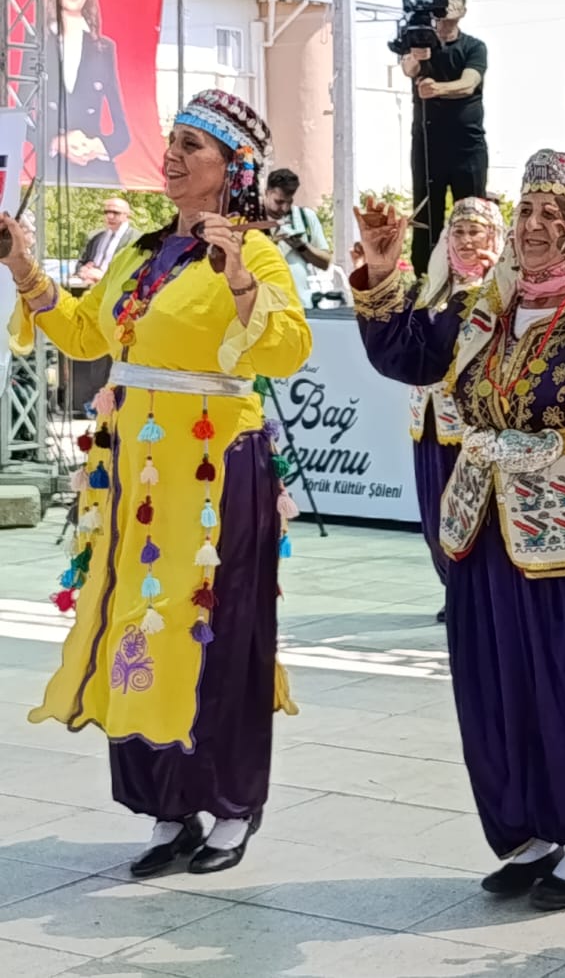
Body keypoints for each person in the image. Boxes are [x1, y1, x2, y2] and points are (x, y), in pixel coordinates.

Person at [352, 149, 565, 911]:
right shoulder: (479, 307)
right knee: (494, 679)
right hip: (486, 520)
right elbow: (406, 355)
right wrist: (382, 268)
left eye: (554, 214)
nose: (533, 226)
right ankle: (522, 829)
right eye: (525, 209)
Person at [2, 88, 311, 876]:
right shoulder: (140, 252)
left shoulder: (255, 251)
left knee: (215, 625)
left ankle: (232, 804)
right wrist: (21, 264)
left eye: (192, 146)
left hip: (213, 469)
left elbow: (284, 351)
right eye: (170, 139)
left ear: (231, 169)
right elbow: (83, 334)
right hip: (134, 473)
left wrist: (240, 279)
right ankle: (165, 804)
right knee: (135, 624)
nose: (171, 154)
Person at [403, 197, 504, 622]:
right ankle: (452, 588)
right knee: (433, 510)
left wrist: (494, 277)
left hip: (469, 422)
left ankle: (476, 595)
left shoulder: (502, 287)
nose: (465, 241)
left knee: (470, 509)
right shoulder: (433, 288)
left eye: (474, 232)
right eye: (458, 232)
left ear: (493, 238)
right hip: (426, 417)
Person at [399, 0, 488, 267]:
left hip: (467, 147)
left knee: (472, 215)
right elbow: (408, 68)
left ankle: (475, 275)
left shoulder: (474, 46)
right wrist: (417, 55)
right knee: (426, 215)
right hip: (429, 146)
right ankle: (424, 280)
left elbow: (469, 82)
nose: (447, 3)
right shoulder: (418, 39)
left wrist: (438, 88)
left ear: (463, 8)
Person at [38, 0, 130, 182]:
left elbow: (123, 133)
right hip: (50, 174)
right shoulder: (35, 40)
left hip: (97, 177)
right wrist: (57, 141)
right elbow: (21, 119)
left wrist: (97, 146)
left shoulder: (105, 48)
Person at [262, 168, 332, 309]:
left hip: (300, 306)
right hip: (263, 307)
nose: (284, 208)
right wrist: (269, 244)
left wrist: (302, 247)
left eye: (289, 202)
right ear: (267, 193)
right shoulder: (251, 219)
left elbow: (325, 262)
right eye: (279, 202)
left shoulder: (305, 217)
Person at [75, 196, 135, 285]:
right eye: (106, 212)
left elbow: (136, 272)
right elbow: (80, 263)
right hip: (88, 286)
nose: (110, 216)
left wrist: (103, 277)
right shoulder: (95, 237)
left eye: (116, 212)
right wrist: (83, 270)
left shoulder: (136, 239)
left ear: (127, 215)